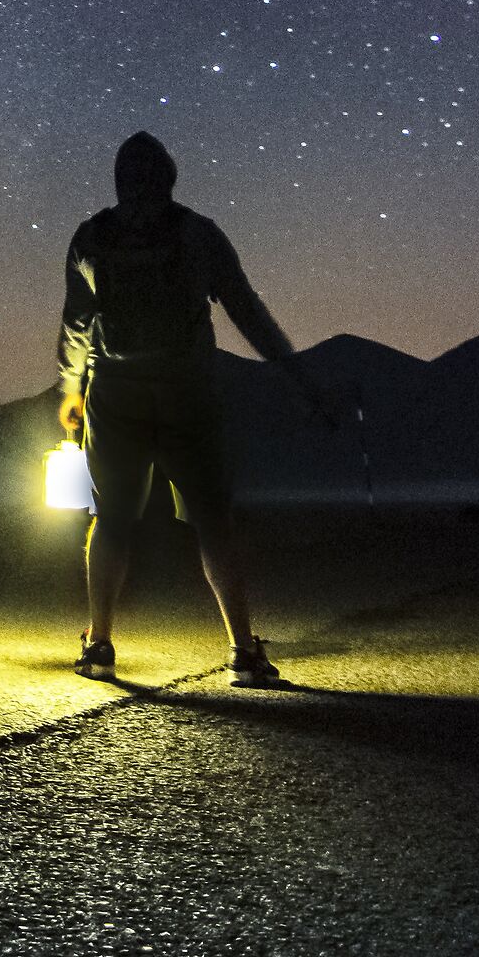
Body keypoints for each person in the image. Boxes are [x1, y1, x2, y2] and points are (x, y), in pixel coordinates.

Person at [54, 130, 333, 686]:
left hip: (116, 394)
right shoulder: (198, 233)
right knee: (212, 521)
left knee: (111, 520)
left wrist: (70, 390)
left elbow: (77, 321)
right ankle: (244, 652)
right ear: (169, 177)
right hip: (188, 392)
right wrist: (297, 375)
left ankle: (99, 644)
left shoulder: (91, 237)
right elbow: (246, 310)